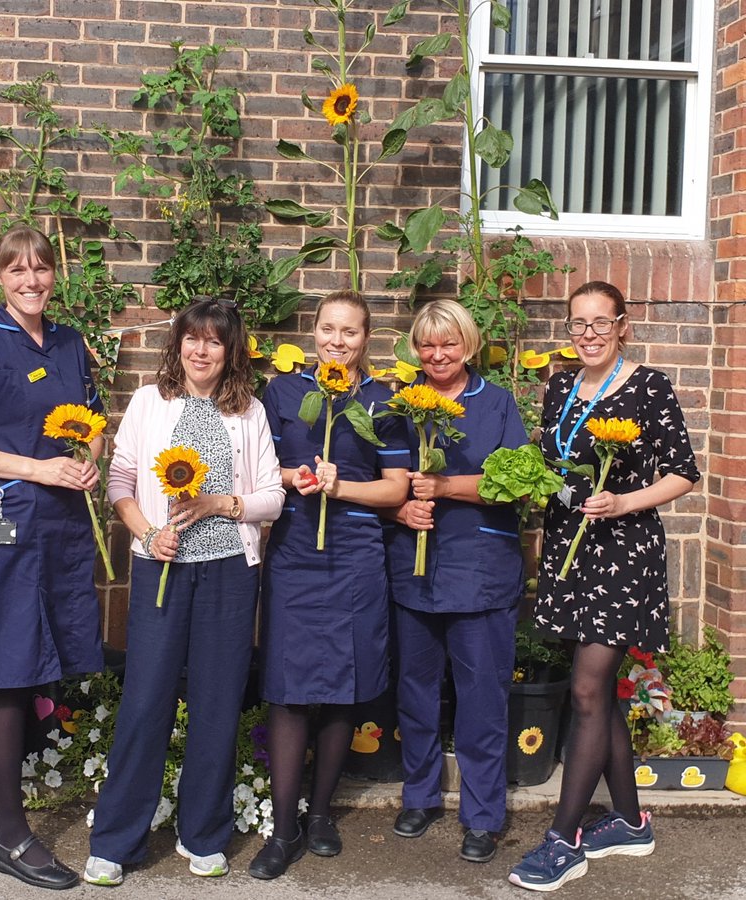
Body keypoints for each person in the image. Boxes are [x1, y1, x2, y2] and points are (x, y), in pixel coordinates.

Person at [83, 298, 285, 887]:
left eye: (214, 342)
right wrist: (147, 533)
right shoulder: (151, 402)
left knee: (217, 704)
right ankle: (116, 840)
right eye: (192, 339)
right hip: (161, 568)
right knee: (145, 701)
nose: (201, 350)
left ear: (231, 352)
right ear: (177, 344)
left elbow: (272, 495)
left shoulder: (249, 412)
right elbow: (121, 477)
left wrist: (223, 504)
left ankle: (203, 834)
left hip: (228, 571)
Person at [508, 282, 700, 892]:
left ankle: (564, 840)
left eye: (600, 323)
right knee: (602, 694)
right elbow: (557, 463)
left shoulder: (649, 387)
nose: (587, 334)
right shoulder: (562, 386)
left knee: (588, 688)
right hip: (572, 548)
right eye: (577, 325)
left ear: (622, 326)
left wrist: (623, 502)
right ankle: (630, 820)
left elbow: (682, 474)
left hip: (624, 550)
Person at [0, 225, 105, 891]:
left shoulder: (67, 342)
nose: (31, 280)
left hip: (59, 528)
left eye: (41, 268)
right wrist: (36, 468)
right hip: (4, 523)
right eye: (16, 270)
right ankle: (8, 835)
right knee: (6, 666)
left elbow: (86, 423)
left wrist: (88, 460)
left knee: (34, 664)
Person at [247, 290, 409, 879]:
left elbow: (395, 488)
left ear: (368, 340)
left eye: (351, 332)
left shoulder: (384, 402)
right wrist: (294, 476)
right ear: (314, 332)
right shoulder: (283, 391)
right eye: (328, 329)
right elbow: (259, 468)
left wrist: (342, 489)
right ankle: (283, 826)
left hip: (355, 553)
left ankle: (320, 816)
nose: (338, 341)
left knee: (344, 681)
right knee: (290, 684)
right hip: (294, 550)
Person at [384, 299, 529, 865]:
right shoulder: (399, 406)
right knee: (416, 693)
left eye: (449, 344)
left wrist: (444, 488)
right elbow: (385, 481)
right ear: (416, 349)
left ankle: (484, 815)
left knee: (481, 700)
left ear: (467, 346)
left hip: (481, 573)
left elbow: (516, 481)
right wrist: (399, 512)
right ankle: (419, 797)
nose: (437, 354)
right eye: (427, 344)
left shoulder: (495, 404)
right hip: (415, 573)